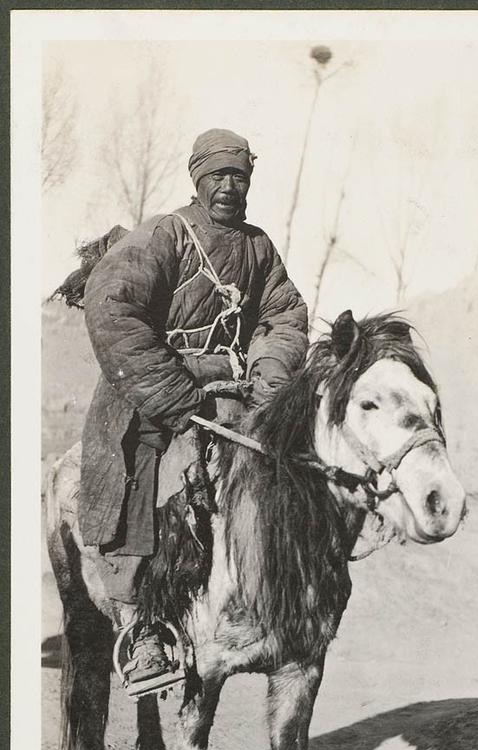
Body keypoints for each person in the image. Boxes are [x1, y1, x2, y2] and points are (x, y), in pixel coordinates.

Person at [79, 128, 309, 685]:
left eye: (238, 175)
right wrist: (173, 393)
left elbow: (285, 317)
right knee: (153, 479)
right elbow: (112, 308)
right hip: (156, 394)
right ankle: (146, 629)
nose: (228, 186)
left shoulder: (258, 248)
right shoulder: (163, 234)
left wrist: (268, 382)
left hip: (233, 394)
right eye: (217, 175)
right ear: (197, 178)